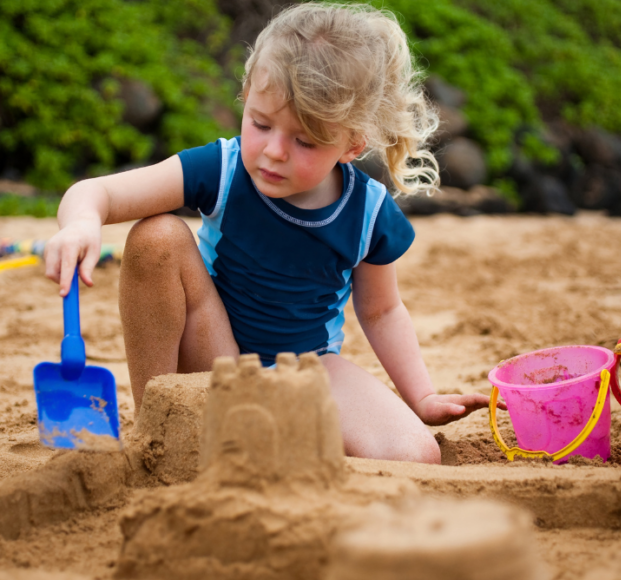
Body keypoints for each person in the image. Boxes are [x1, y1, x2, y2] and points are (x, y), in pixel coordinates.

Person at [44, 3, 500, 465]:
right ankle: (160, 430)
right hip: (214, 358)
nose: (274, 152)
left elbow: (382, 312)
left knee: (415, 455)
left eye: (304, 141)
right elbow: (96, 192)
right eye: (261, 124)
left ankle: (267, 435)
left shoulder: (368, 213)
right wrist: (82, 222)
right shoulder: (221, 168)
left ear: (352, 143)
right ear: (246, 96)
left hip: (306, 368)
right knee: (156, 237)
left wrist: (421, 398)